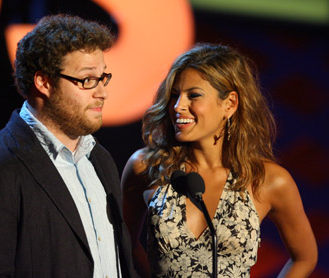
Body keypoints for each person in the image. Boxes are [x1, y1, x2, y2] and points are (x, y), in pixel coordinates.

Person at [0, 14, 138, 278]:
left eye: (102, 77)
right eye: (87, 80)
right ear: (44, 82)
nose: (102, 92)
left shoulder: (99, 158)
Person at [121, 43, 318, 278]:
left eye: (193, 95)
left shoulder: (268, 180)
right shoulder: (147, 166)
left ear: (230, 104)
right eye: (174, 95)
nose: (177, 106)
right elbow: (124, 243)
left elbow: (305, 258)